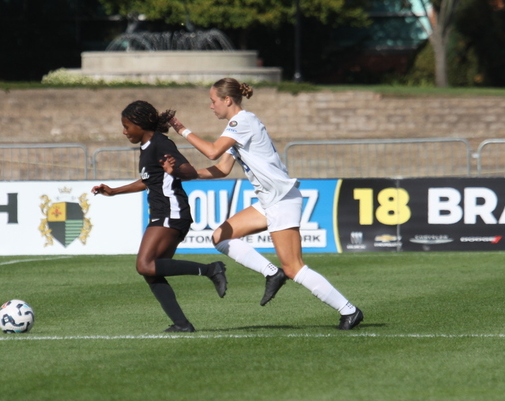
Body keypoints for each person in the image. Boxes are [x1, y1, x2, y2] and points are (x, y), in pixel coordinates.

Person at [166, 77, 363, 330]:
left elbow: (213, 151)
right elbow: (222, 169)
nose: (211, 106)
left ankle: (349, 311)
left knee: (294, 268)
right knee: (220, 236)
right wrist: (184, 174)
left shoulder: (242, 122)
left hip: (281, 199)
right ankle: (271, 272)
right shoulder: (237, 127)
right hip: (270, 200)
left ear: (227, 100)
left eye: (213, 101)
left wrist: (181, 129)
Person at [91, 100, 228, 333]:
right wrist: (114, 191)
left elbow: (189, 171)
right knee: (152, 272)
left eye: (126, 126)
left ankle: (211, 269)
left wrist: (175, 170)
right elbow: (149, 180)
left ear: (141, 124)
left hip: (170, 211)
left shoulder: (160, 143)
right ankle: (182, 324)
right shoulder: (146, 147)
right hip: (165, 212)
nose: (124, 132)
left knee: (144, 265)